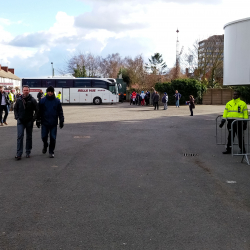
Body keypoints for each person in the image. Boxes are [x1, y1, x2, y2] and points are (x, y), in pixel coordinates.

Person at [36, 86, 64, 158]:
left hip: (53, 122)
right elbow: (39, 111)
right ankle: (45, 145)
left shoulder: (57, 101)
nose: (50, 93)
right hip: (44, 122)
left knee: (53, 137)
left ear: (53, 92)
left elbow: (60, 112)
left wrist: (61, 120)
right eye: (49, 91)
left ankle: (51, 151)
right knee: (44, 137)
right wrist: (38, 120)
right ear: (47, 92)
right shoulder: (42, 101)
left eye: (51, 92)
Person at [14, 85, 38, 160]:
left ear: (29, 91)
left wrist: (33, 119)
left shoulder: (32, 100)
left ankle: (28, 152)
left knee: (29, 137)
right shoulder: (19, 100)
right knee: (20, 136)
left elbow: (37, 110)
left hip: (29, 121)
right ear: (22, 91)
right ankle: (19, 154)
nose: (25, 91)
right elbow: (15, 109)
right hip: (20, 121)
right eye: (24, 90)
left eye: (27, 90)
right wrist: (17, 117)